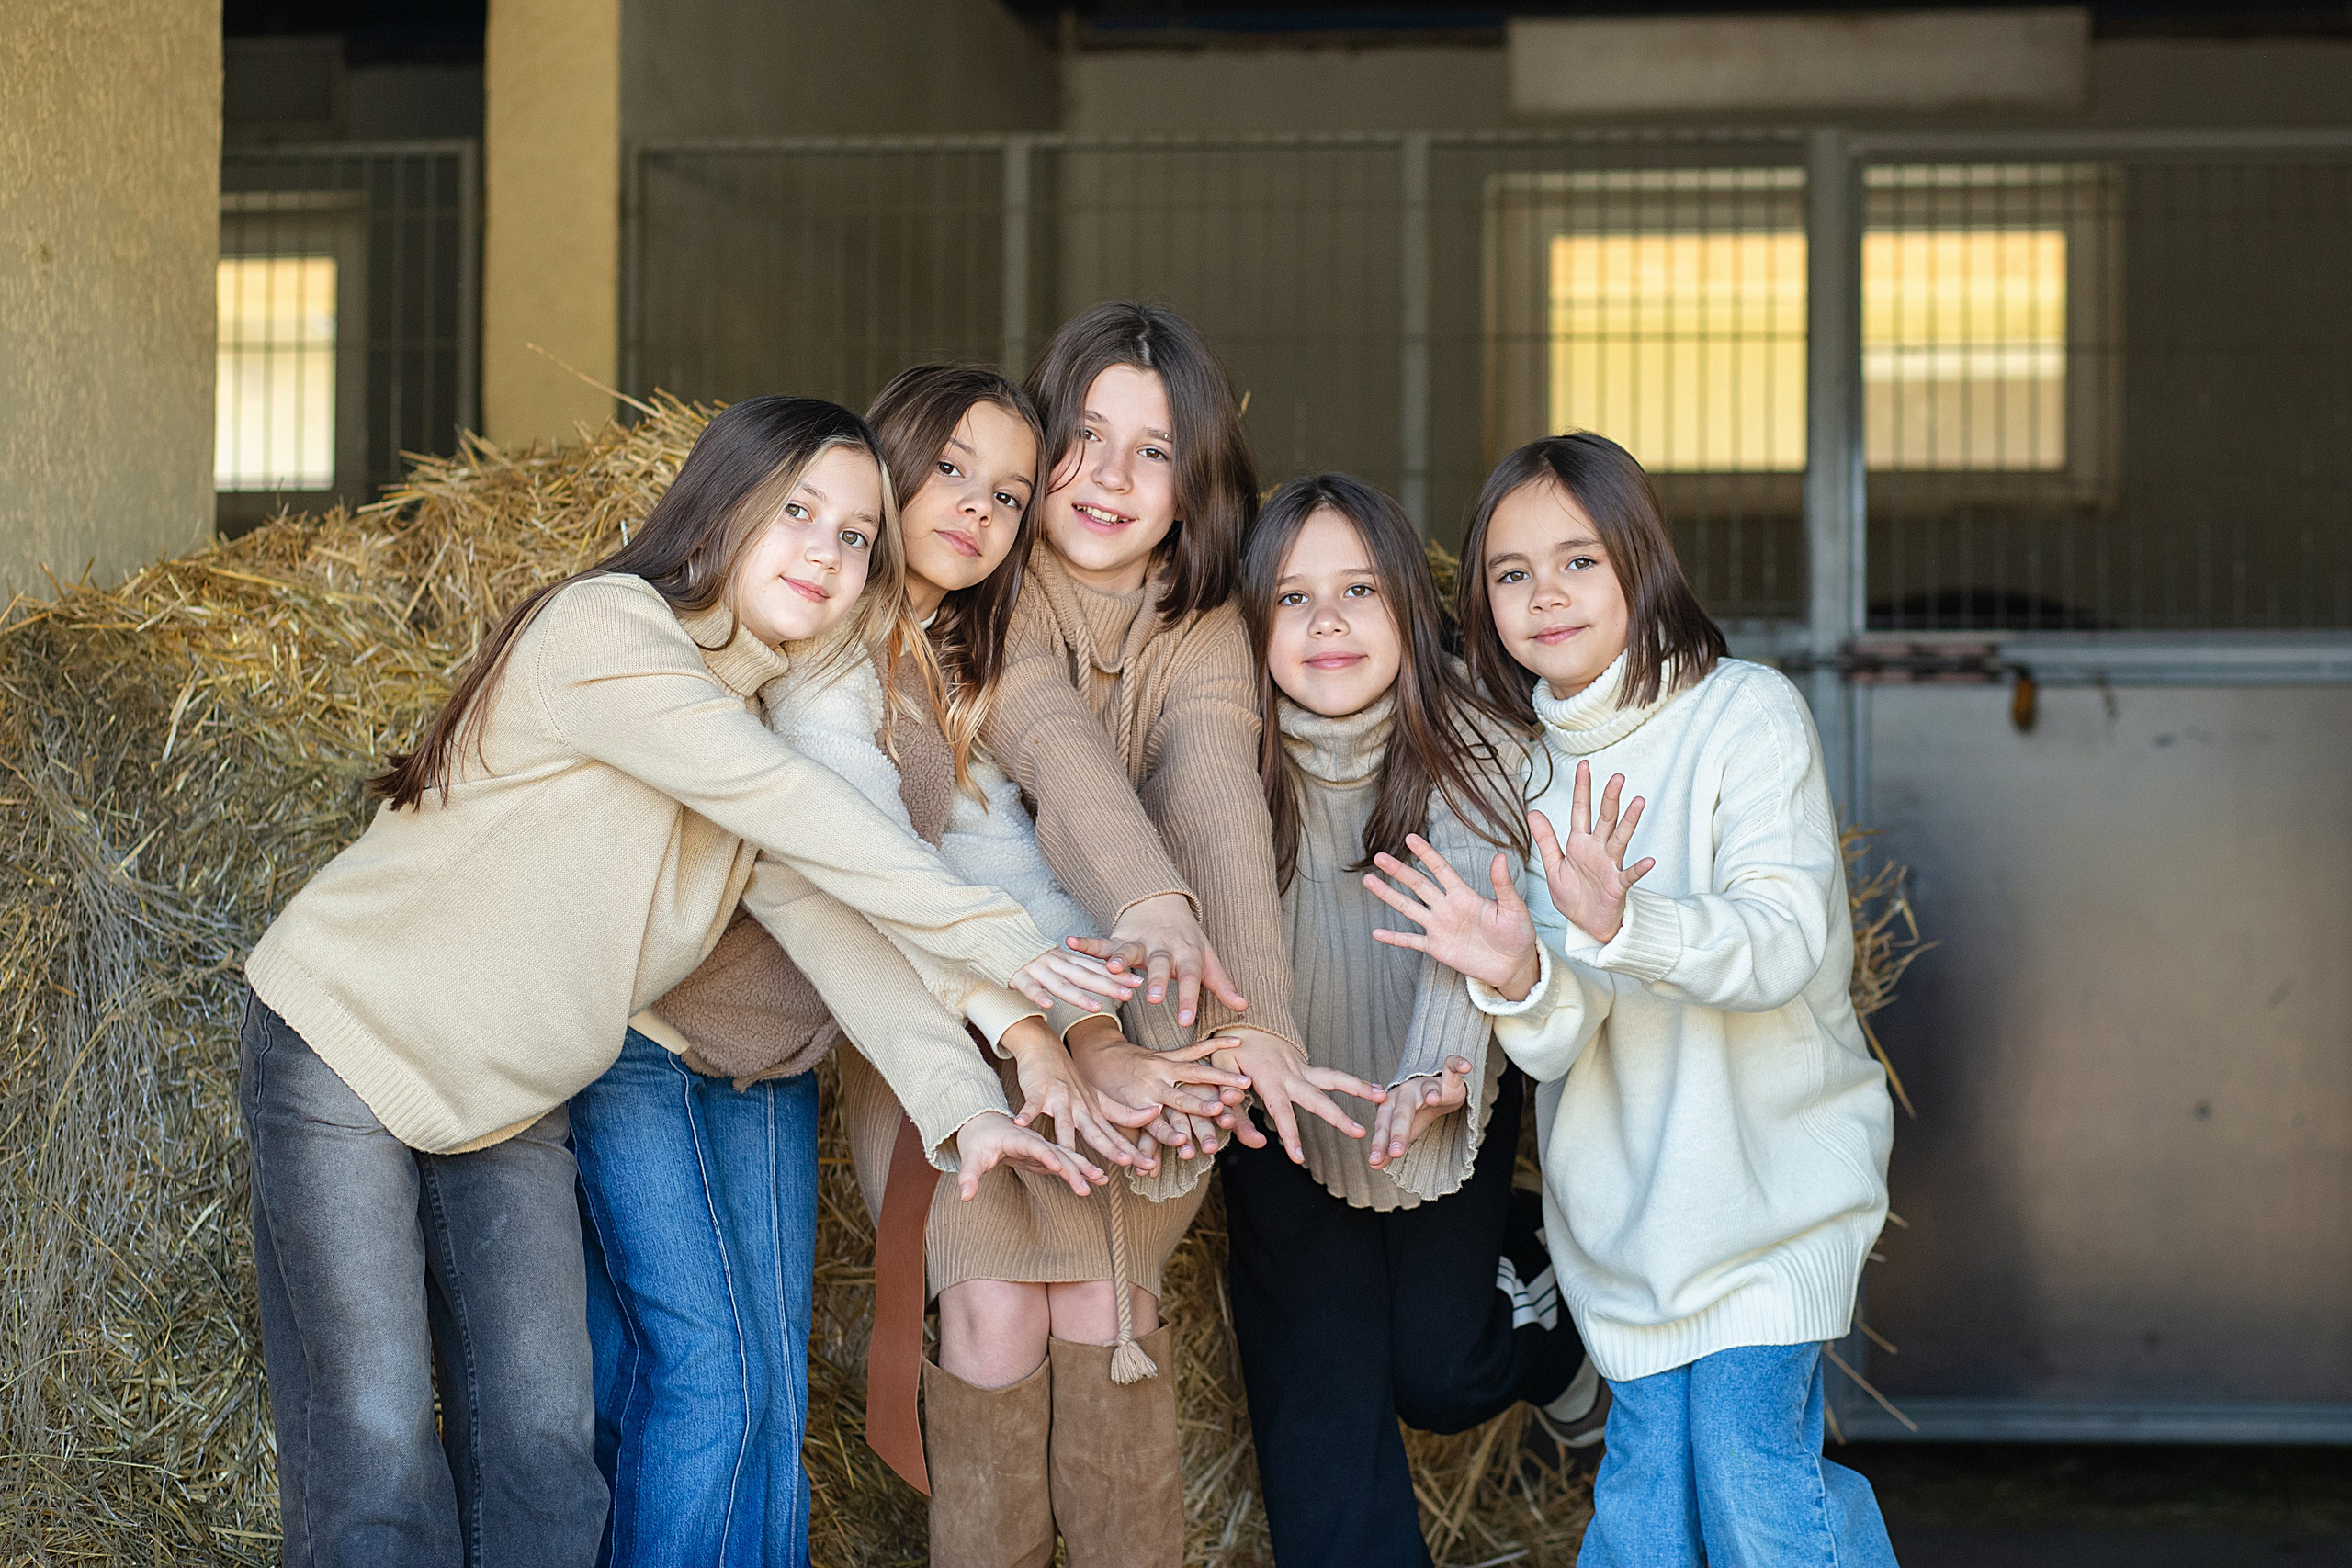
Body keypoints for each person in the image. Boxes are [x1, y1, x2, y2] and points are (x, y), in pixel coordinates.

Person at [238, 394, 1125, 1568]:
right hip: (347, 1046)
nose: (826, 549)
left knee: (544, 1454)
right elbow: (795, 807)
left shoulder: (755, 720)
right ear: (721, 507)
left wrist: (968, 1100)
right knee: (378, 1445)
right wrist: (1012, 947)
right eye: (796, 511)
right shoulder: (610, 628)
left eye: (856, 535)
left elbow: (837, 932)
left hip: (511, 1097)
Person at [904, 303, 1385, 1568]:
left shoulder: (1209, 629)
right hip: (976, 1005)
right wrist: (1147, 902)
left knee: (1105, 1306)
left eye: (1155, 450)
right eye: (1083, 435)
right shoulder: (987, 592)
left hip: (1149, 1014)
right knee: (994, 1315)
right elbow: (1051, 741)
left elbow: (1218, 796)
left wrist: (1256, 1025)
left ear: (1194, 485)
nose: (1110, 477)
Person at [1364, 432, 1900, 1568]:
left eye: (1579, 561)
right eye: (1511, 573)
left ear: (1639, 562)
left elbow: (1784, 946)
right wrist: (1518, 974)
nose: (1544, 595)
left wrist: (1625, 924)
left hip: (1767, 1200)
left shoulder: (1743, 715)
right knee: (1650, 1511)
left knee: (1750, 1483)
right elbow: (1560, 1043)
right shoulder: (1517, 766)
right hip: (1623, 1227)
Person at [1219, 472, 1604, 1567]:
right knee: (1321, 1393)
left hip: (1447, 1081)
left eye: (1359, 592)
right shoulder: (1217, 750)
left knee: (1437, 1372)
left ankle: (1538, 1293)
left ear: (1410, 608)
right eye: (1292, 598)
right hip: (1283, 1094)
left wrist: (1438, 1073)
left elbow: (1475, 902)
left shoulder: (1480, 738)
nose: (1327, 623)